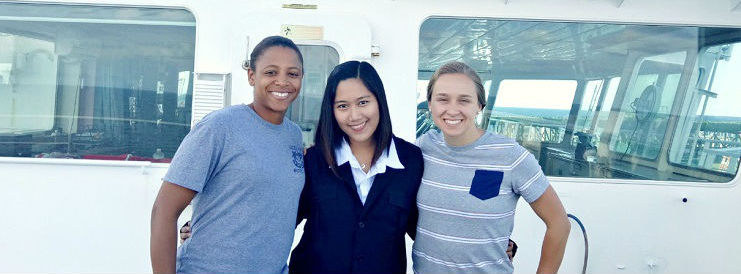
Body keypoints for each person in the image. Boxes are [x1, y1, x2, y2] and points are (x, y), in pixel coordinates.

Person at [150, 36, 306, 274]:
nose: (282, 82)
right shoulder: (220, 127)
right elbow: (164, 210)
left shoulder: (294, 136)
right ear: (252, 76)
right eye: (271, 72)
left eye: (292, 74)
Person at [412, 62, 570, 274]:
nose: (452, 109)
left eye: (464, 100)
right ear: (430, 104)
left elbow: (559, 223)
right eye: (442, 99)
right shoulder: (421, 149)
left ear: (479, 106)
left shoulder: (510, 156)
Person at [288, 60, 423, 274]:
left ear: (379, 101)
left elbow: (426, 231)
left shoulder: (412, 161)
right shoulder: (313, 161)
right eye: (343, 106)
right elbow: (280, 222)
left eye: (363, 102)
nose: (354, 116)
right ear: (331, 110)